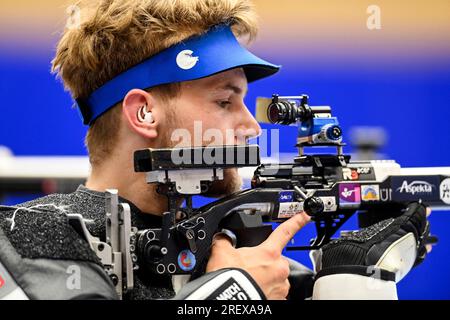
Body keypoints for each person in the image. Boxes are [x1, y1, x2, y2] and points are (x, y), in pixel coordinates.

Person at [0, 0, 432, 300]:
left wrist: (352, 275)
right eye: (225, 101)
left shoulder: (245, 255)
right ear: (144, 114)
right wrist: (233, 292)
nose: (249, 126)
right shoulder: (27, 238)